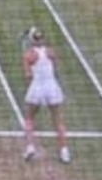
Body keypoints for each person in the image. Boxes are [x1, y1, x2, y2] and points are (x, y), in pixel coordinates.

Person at [18, 31, 71, 163]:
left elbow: (28, 76)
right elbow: (55, 68)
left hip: (37, 87)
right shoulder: (51, 52)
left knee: (29, 118)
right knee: (58, 120)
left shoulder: (28, 56)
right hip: (52, 86)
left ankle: (30, 147)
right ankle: (64, 152)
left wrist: (29, 70)